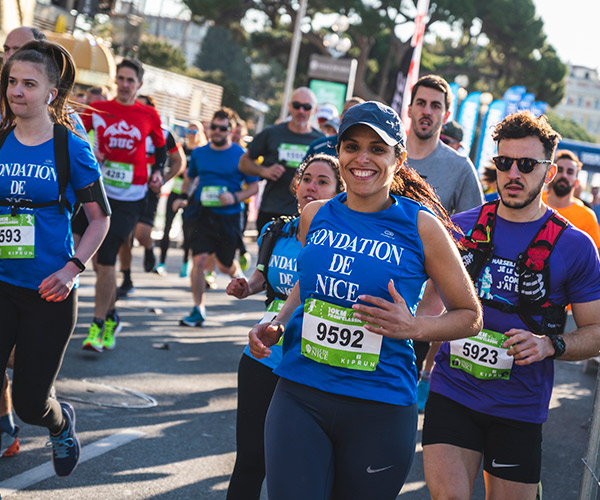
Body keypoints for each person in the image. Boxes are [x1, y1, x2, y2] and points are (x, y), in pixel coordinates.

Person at [249, 101, 482, 499]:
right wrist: (280, 321)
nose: (362, 158)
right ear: (338, 151)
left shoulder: (421, 226)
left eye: (377, 148)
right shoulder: (314, 215)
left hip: (380, 405)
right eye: (351, 146)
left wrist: (415, 327)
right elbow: (311, 280)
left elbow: (470, 316)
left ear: (399, 157)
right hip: (300, 393)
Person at [422, 111, 600, 500]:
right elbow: (432, 302)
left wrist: (549, 344)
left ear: (549, 174)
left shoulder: (576, 246)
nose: (513, 173)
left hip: (519, 407)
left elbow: (596, 334)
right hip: (453, 393)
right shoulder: (460, 227)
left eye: (527, 165)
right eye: (504, 163)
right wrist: (419, 348)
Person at [0, 40, 110, 476]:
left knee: (30, 402)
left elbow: (100, 220)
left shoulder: (71, 148)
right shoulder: (1, 140)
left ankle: (59, 421)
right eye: (12, 81)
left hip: (49, 290)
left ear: (51, 92)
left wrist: (72, 269)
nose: (17, 92)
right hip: (2, 282)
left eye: (29, 83)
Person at [225, 153, 345, 499]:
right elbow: (263, 277)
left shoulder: (344, 241)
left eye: (323, 181)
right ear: (296, 185)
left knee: (298, 468)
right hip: (264, 354)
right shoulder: (277, 231)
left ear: (339, 191)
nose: (312, 186)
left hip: (313, 361)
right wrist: (246, 286)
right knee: (250, 457)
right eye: (308, 178)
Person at [405, 74, 485, 409]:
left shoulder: (459, 168)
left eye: (435, 105)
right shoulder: (383, 153)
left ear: (446, 115)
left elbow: (475, 239)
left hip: (423, 309)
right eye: (421, 103)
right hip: (369, 286)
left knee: (400, 391)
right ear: (409, 108)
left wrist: (442, 290)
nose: (427, 111)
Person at [81, 58, 166, 352]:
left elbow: (163, 148)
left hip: (130, 198)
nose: (126, 84)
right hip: (96, 191)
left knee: (105, 260)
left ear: (139, 85)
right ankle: (112, 314)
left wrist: (159, 173)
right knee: (85, 256)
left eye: (131, 80)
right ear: (115, 81)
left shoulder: (149, 114)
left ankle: (97, 326)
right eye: (121, 78)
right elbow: (76, 136)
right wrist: (93, 152)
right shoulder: (99, 109)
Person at [0, 24, 49, 458]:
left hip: (39, 274)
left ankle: (23, 415)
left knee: (24, 370)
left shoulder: (59, 133)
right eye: (6, 51)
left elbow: (88, 211)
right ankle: (5, 427)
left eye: (21, 52)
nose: (9, 57)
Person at [174, 108, 260, 327]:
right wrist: (184, 197)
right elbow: (190, 178)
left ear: (230, 131)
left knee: (223, 266)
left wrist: (234, 197)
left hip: (229, 217)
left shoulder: (241, 155)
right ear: (209, 128)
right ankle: (197, 308)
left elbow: (253, 188)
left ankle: (236, 270)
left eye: (223, 128)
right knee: (199, 260)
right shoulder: (200, 153)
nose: (218, 131)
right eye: (214, 127)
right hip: (203, 215)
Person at [115, 94, 185, 289]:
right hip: (126, 189)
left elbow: (179, 161)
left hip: (148, 191)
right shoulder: (126, 130)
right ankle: (126, 277)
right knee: (124, 236)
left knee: (141, 233)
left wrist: (163, 179)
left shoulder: (164, 133)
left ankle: (148, 248)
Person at [238, 87, 323, 232]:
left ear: (314, 110)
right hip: (272, 210)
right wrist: (264, 171)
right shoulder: (272, 133)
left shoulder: (320, 141)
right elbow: (243, 163)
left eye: (307, 107)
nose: (301, 111)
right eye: (297, 106)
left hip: (307, 213)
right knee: (267, 255)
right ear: (290, 107)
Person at [157, 121, 206, 278]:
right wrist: (181, 171)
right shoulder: (181, 149)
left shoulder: (201, 151)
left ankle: (186, 263)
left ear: (200, 134)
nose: (190, 135)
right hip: (176, 191)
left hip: (191, 196)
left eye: (194, 132)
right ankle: (161, 263)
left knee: (187, 231)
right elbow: (173, 165)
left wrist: (191, 175)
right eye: (188, 131)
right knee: (167, 228)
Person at [542, 149, 600, 249]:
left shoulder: (587, 217)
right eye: (559, 170)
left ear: (576, 182)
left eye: (570, 172)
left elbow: (595, 256)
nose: (564, 175)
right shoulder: (535, 201)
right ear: (551, 174)